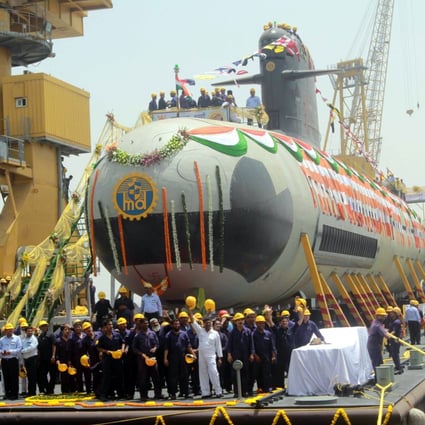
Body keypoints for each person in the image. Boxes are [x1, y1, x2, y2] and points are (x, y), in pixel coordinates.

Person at [188, 310, 223, 399]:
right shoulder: (200, 331)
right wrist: (189, 310)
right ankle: (206, 392)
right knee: (203, 373)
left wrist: (219, 358)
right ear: (203, 324)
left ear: (211, 323)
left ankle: (218, 391)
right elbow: (193, 321)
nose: (208, 324)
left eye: (209, 323)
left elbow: (218, 346)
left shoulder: (215, 333)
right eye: (206, 323)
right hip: (202, 356)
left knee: (214, 372)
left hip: (211, 355)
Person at [132, 317, 164, 401]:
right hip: (142, 359)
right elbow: (134, 348)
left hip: (152, 358)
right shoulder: (137, 336)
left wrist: (155, 348)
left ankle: (158, 394)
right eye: (144, 323)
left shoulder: (152, 333)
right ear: (141, 324)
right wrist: (141, 354)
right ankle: (143, 395)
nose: (146, 324)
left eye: (147, 323)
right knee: (143, 378)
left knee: (156, 376)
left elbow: (157, 344)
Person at [163, 318, 192, 399]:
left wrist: (193, 354)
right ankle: (173, 393)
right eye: (175, 324)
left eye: (178, 324)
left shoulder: (184, 334)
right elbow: (166, 348)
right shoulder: (168, 335)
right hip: (172, 358)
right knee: (173, 377)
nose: (177, 325)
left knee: (184, 376)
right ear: (172, 325)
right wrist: (165, 359)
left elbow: (188, 346)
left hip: (183, 357)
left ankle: (185, 392)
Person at [226, 312, 253, 397]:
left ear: (244, 321)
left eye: (241, 320)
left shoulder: (248, 331)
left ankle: (245, 391)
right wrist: (229, 355)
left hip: (246, 355)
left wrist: (252, 354)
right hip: (235, 356)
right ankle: (237, 392)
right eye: (238, 320)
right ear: (235, 322)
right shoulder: (232, 333)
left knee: (246, 373)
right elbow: (229, 345)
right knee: (235, 374)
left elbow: (251, 344)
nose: (240, 321)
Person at [251, 315, 276, 393]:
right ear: (256, 324)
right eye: (259, 323)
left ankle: (267, 388)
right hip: (257, 358)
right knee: (257, 374)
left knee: (267, 373)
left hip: (267, 357)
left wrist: (273, 356)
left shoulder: (268, 333)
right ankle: (260, 388)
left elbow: (272, 346)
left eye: (262, 323)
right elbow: (252, 346)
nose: (261, 325)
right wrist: (255, 355)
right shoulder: (253, 334)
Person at [367, 307, 393, 381]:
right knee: (378, 363)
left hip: (372, 345)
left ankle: (379, 378)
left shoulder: (374, 322)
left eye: (384, 315)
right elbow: (386, 335)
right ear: (378, 316)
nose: (385, 317)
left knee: (377, 362)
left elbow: (382, 330)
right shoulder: (378, 325)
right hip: (374, 346)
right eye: (383, 316)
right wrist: (395, 339)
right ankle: (379, 379)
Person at [0, 323, 22, 400]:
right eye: (7, 330)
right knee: (6, 378)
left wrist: (10, 352)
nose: (9, 331)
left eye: (10, 329)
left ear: (12, 330)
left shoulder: (17, 338)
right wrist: (2, 352)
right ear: (5, 331)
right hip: (4, 360)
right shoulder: (2, 339)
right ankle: (7, 394)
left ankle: (14, 394)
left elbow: (19, 348)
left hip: (13, 360)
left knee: (14, 378)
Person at [37, 320, 57, 395]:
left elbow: (54, 345)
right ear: (40, 328)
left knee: (53, 375)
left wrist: (53, 355)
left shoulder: (51, 335)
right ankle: (47, 388)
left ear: (47, 326)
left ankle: (51, 389)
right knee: (43, 375)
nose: (44, 327)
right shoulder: (40, 336)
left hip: (50, 358)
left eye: (45, 326)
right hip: (43, 359)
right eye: (42, 326)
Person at [20, 326, 38, 396]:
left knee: (32, 377)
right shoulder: (24, 340)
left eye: (31, 331)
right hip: (26, 360)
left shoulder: (34, 339)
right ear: (26, 332)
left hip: (32, 359)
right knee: (29, 377)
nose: (30, 332)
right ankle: (30, 392)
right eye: (28, 331)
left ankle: (32, 392)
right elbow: (21, 347)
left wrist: (23, 351)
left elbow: (32, 347)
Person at [387, 307, 404, 375]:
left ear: (395, 313)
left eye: (392, 312)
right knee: (394, 354)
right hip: (393, 339)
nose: (390, 314)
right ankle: (398, 366)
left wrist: (387, 334)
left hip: (395, 339)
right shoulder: (392, 320)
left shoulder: (396, 322)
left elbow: (394, 331)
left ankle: (398, 367)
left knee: (395, 354)